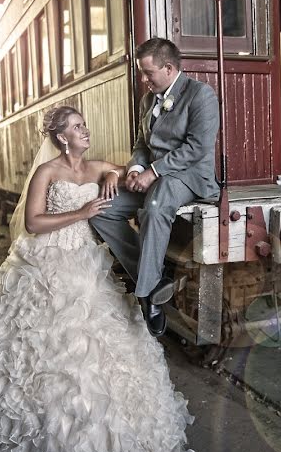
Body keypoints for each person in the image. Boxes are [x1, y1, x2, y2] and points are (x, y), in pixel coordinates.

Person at [0, 105, 194, 452]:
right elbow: (33, 222)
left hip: (85, 262)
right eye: (77, 127)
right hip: (46, 260)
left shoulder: (93, 167)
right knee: (39, 347)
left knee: (99, 343)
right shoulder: (47, 172)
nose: (85, 131)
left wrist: (109, 175)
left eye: (84, 125)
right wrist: (82, 212)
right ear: (60, 138)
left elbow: (125, 172)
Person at [90, 37, 219, 337]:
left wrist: (153, 171)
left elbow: (197, 148)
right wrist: (135, 169)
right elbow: (141, 144)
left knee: (157, 203)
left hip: (190, 177)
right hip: (153, 174)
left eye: (148, 73)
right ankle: (154, 280)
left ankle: (147, 298)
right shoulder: (148, 99)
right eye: (142, 74)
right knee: (101, 209)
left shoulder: (201, 95)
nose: (144, 80)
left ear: (170, 68)